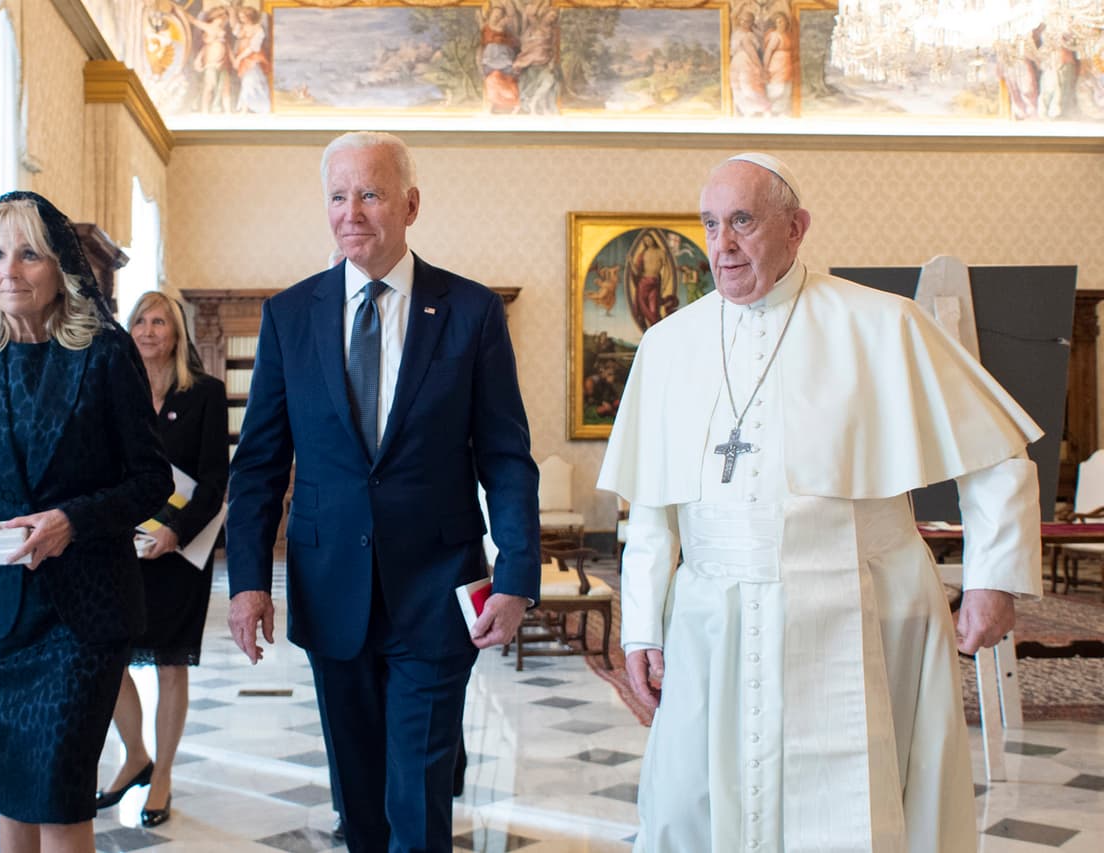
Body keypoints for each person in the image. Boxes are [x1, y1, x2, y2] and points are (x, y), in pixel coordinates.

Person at [598, 153, 1043, 852]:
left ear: (795, 227)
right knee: (693, 802)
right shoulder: (667, 346)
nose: (724, 243)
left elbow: (996, 459)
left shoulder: (881, 323)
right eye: (711, 223)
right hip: (714, 615)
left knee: (865, 805)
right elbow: (652, 508)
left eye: (743, 220)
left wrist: (992, 579)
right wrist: (642, 629)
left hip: (863, 604)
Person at [226, 131, 541, 852]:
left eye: (369, 193)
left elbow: (505, 455)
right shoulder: (290, 315)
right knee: (358, 797)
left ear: (410, 204)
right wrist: (248, 581)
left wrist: (518, 573)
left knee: (418, 794)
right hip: (330, 583)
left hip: (436, 589)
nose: (351, 212)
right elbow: (260, 464)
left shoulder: (469, 311)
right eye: (338, 196)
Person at [0, 191, 172, 853]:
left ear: (59, 265)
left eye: (29, 253)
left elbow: (152, 480)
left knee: (60, 797)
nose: (9, 269)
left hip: (81, 619)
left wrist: (70, 520)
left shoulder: (105, 354)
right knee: (12, 799)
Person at [96, 291, 229, 829]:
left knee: (171, 665)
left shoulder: (205, 394)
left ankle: (165, 774)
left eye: (159, 322)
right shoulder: (110, 391)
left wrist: (175, 532)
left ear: (177, 335)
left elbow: (216, 480)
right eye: (140, 321)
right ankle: (135, 754)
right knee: (108, 658)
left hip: (178, 552)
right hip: (118, 548)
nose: (148, 330)